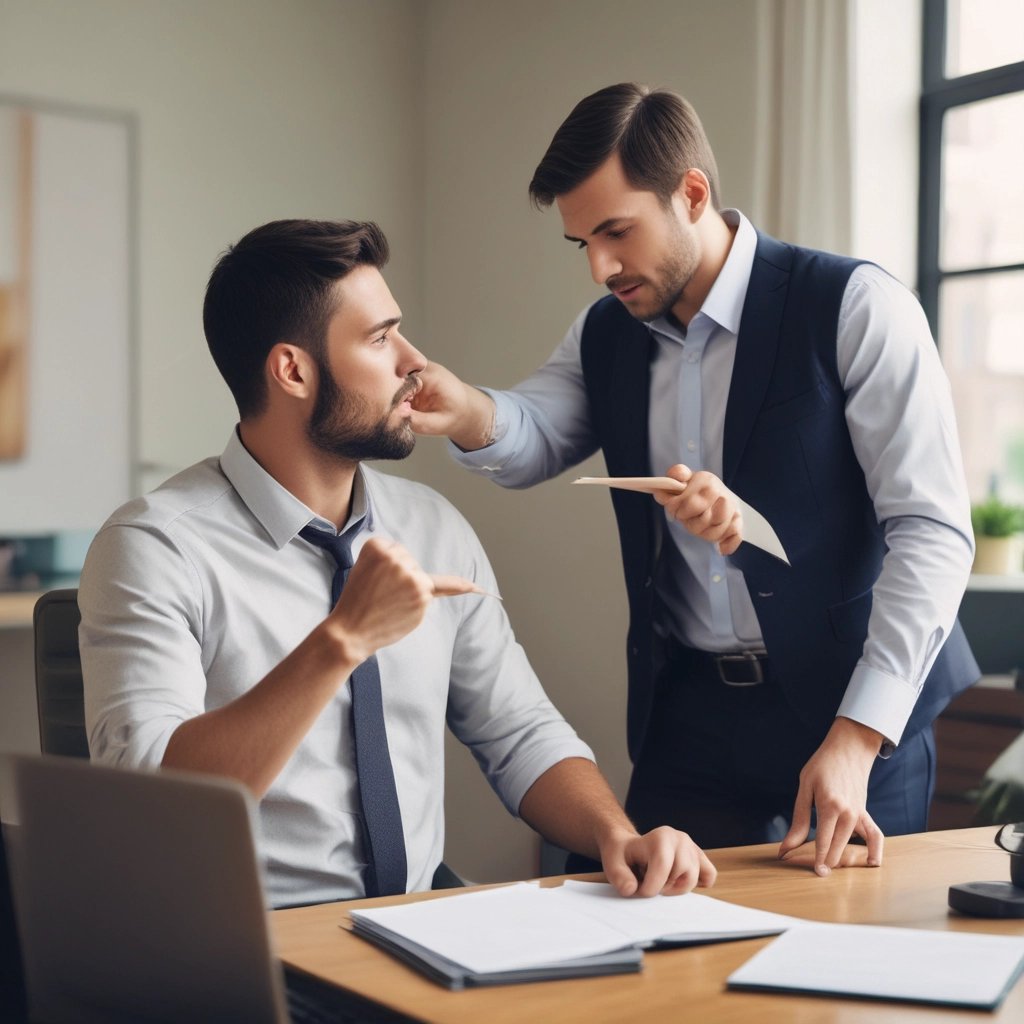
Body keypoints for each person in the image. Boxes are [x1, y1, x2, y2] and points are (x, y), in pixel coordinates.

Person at [409, 83, 980, 877]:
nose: (601, 267)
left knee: (851, 973)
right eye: (584, 244)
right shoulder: (608, 331)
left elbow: (933, 532)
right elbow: (536, 434)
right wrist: (463, 406)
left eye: (617, 232)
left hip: (851, 704)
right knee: (656, 945)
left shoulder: (856, 306)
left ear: (693, 193)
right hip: (692, 716)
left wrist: (858, 735)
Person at [79, 218, 716, 908]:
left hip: (416, 932)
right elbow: (154, 805)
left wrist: (614, 835)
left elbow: (519, 730)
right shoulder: (154, 546)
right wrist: (341, 641)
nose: (414, 362)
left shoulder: (433, 525)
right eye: (380, 339)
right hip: (247, 949)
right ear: (293, 370)